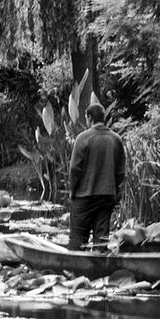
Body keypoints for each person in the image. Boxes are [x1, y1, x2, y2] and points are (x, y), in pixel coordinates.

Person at [67, 103, 126, 250]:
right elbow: (120, 172)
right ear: (103, 118)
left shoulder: (83, 138)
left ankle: (76, 268)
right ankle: (99, 269)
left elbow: (74, 169)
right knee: (101, 240)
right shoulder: (116, 139)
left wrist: (72, 191)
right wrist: (113, 188)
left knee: (78, 240)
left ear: (89, 117)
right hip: (106, 196)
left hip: (83, 196)